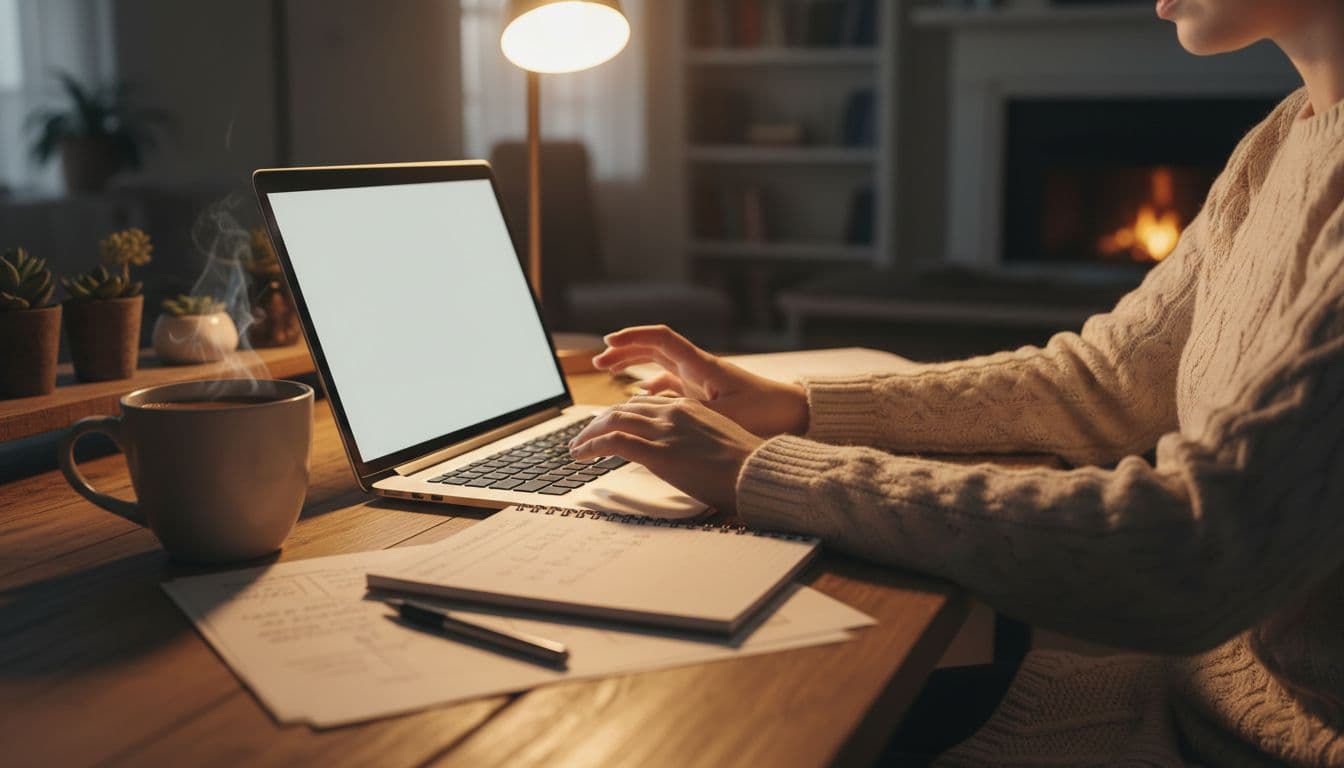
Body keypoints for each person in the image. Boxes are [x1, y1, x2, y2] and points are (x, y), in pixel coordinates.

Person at [567, 0, 1344, 764]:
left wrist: (758, 472)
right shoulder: (1281, 139)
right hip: (1188, 703)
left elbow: (1194, 546)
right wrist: (803, 408)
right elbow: (1103, 379)